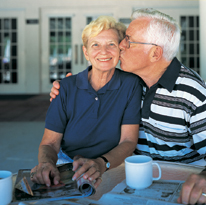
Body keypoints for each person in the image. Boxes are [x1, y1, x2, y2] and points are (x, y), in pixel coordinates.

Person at [50, 8, 206, 205]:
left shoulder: (191, 91)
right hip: (133, 182)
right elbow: (90, 81)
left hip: (183, 186)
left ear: (155, 53)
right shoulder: (127, 82)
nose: (121, 45)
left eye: (129, 41)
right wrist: (64, 88)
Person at [30, 16, 142, 190]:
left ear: (120, 50)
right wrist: (46, 163)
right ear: (86, 52)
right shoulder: (65, 87)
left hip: (110, 162)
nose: (103, 52)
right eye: (95, 45)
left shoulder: (131, 84)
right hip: (68, 163)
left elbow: (128, 140)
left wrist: (101, 163)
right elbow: (50, 143)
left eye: (111, 44)